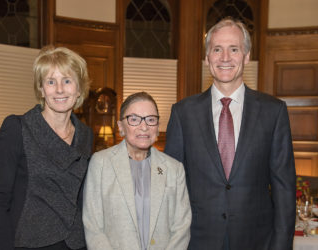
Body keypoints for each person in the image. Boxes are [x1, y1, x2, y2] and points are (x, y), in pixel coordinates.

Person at [164, 17, 296, 250]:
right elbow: (170, 188)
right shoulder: (183, 113)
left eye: (233, 49)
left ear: (246, 56)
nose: (225, 58)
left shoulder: (273, 111)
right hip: (196, 241)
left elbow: (284, 188)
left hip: (257, 241)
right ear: (207, 58)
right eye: (217, 50)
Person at [0, 46, 93, 250]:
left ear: (79, 89)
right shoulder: (17, 128)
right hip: (30, 243)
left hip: (76, 244)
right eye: (51, 81)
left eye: (67, 80)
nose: (60, 89)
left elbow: (82, 199)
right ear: (41, 89)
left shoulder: (86, 135)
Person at [83, 92, 192, 250]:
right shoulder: (100, 164)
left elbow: (182, 227)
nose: (144, 126)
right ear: (121, 127)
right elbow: (93, 227)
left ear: (157, 127)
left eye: (151, 119)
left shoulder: (174, 169)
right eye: (134, 119)